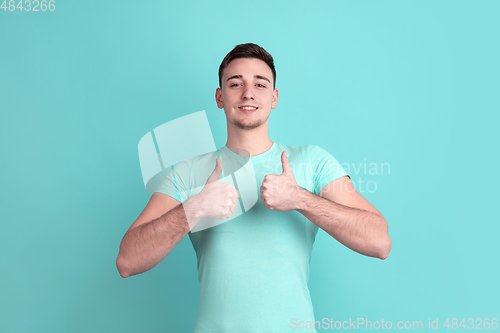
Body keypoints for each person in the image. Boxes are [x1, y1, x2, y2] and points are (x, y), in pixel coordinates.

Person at [116, 43, 392, 332]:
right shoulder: (188, 172)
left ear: (274, 98)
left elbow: (379, 241)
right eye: (236, 84)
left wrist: (300, 198)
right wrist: (194, 207)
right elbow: (127, 261)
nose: (248, 92)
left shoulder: (312, 161)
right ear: (220, 97)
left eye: (260, 84)